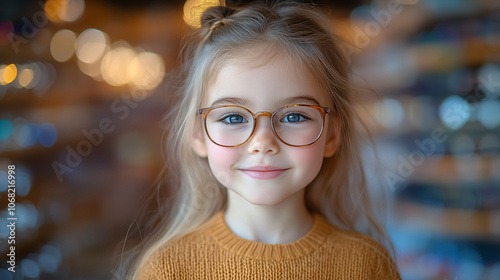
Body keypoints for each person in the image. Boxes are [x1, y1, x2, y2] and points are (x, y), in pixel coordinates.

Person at [123, 0, 401, 279]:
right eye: (233, 118)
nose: (263, 141)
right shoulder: (167, 269)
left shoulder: (367, 265)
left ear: (331, 135)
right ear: (198, 135)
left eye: (294, 117)